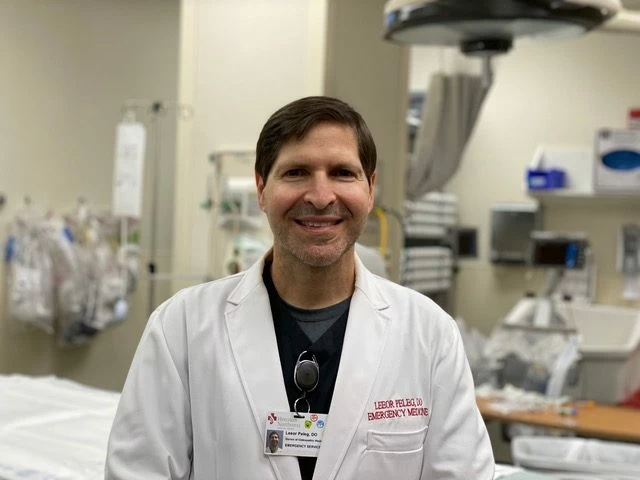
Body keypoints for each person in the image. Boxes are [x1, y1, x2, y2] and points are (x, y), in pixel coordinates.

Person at [105, 96, 495, 479]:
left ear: (370, 189)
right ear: (261, 189)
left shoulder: (429, 334)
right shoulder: (182, 327)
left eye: (343, 173)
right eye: (296, 173)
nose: (321, 197)